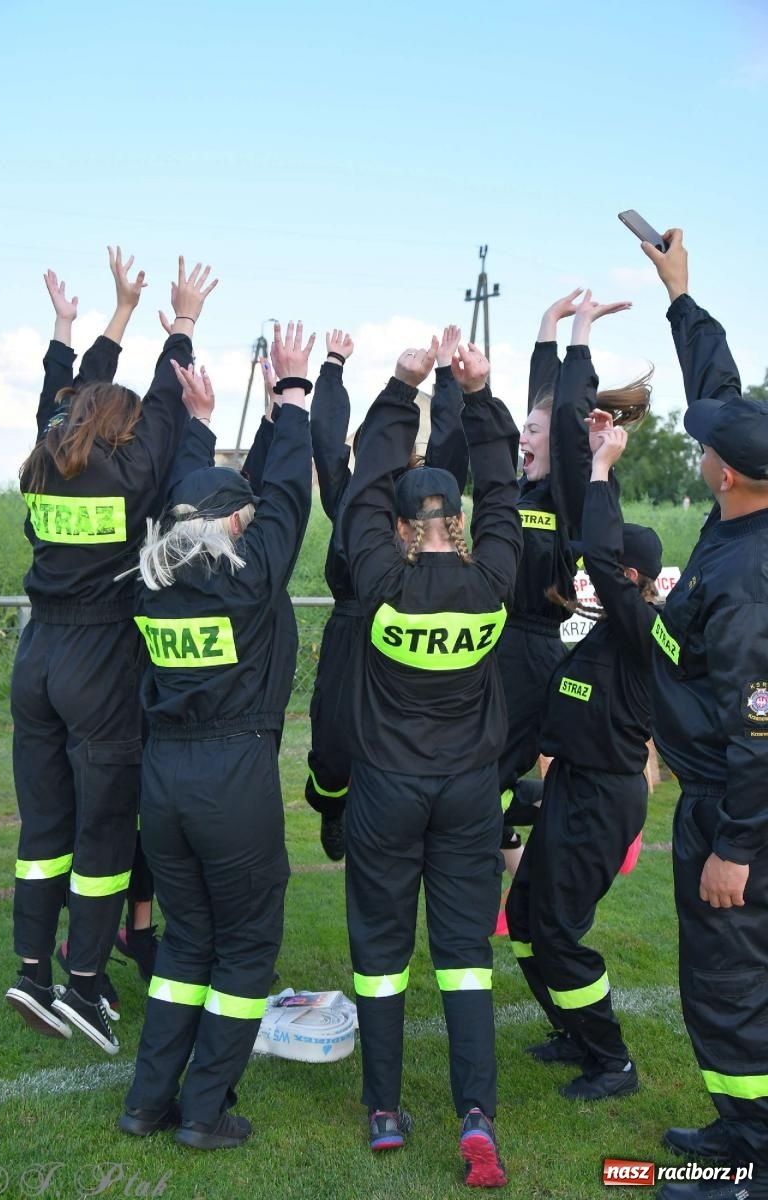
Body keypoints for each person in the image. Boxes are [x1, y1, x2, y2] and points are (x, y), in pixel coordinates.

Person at [5, 253, 217, 1055]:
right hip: (100, 662)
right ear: (117, 429)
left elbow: (62, 399)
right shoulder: (130, 474)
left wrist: (105, 321)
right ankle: (85, 985)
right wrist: (183, 320)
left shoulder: (40, 465)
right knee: (100, 834)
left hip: (37, 659)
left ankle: (32, 969)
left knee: (43, 824)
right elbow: (166, 401)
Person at [118, 321, 313, 1151]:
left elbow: (184, 499)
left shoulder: (154, 579)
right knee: (243, 950)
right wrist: (294, 396)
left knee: (187, 940)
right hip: (232, 773)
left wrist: (201, 425)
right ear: (237, 525)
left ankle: (146, 1102)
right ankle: (204, 1112)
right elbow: (292, 498)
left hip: (163, 779)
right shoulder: (252, 577)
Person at [340, 336, 522, 1187]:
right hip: (468, 795)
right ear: (457, 520)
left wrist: (402, 388)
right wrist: (478, 397)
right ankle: (475, 1116)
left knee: (381, 956)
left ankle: (384, 1109)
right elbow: (508, 494)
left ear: (408, 528)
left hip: (387, 793)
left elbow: (362, 492)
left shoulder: (382, 581)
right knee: (463, 955)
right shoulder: (493, 586)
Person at [640, 229, 768, 1200]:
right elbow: (719, 396)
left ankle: (747, 1162)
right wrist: (679, 296)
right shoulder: (741, 518)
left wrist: (735, 844)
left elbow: (759, 726)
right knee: (725, 985)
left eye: (700, 448)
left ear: (721, 472)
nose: (693, 448)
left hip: (738, 811)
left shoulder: (749, 579)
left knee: (731, 990)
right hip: (721, 799)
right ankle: (736, 1127)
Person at [506, 422, 662, 1100]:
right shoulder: (603, 635)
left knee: (561, 934)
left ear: (631, 578)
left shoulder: (642, 633)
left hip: (603, 800)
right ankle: (572, 1028)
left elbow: (600, 552)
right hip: (571, 787)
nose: (588, 573)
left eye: (607, 569)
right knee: (525, 914)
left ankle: (612, 1063)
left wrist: (600, 468)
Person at [305, 325, 469, 860]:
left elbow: (451, 440)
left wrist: (446, 377)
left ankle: (409, 823)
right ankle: (334, 806)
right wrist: (331, 367)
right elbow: (327, 441)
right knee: (332, 739)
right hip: (353, 630)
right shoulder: (357, 499)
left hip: (409, 627)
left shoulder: (431, 497)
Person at [496, 290, 634, 884]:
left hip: (530, 654)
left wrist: (579, 339)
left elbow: (566, 419)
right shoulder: (524, 489)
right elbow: (546, 407)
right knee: (477, 779)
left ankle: (523, 816)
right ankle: (518, 815)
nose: (521, 437)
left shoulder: (567, 500)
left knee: (482, 780)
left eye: (531, 430)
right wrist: (545, 331)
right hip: (494, 645)